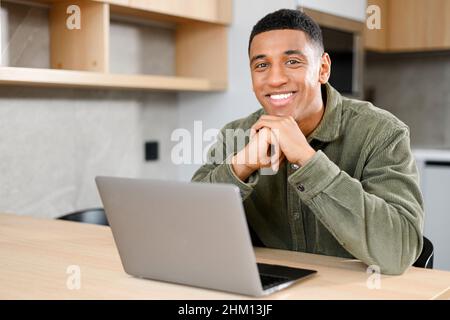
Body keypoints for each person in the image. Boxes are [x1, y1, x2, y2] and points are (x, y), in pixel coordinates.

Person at [191, 9, 424, 275]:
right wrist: (241, 165)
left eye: (292, 62)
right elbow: (190, 228)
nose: (275, 79)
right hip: (269, 288)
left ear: (322, 69)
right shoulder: (236, 134)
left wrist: (308, 160)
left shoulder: (382, 133)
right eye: (262, 65)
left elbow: (399, 251)